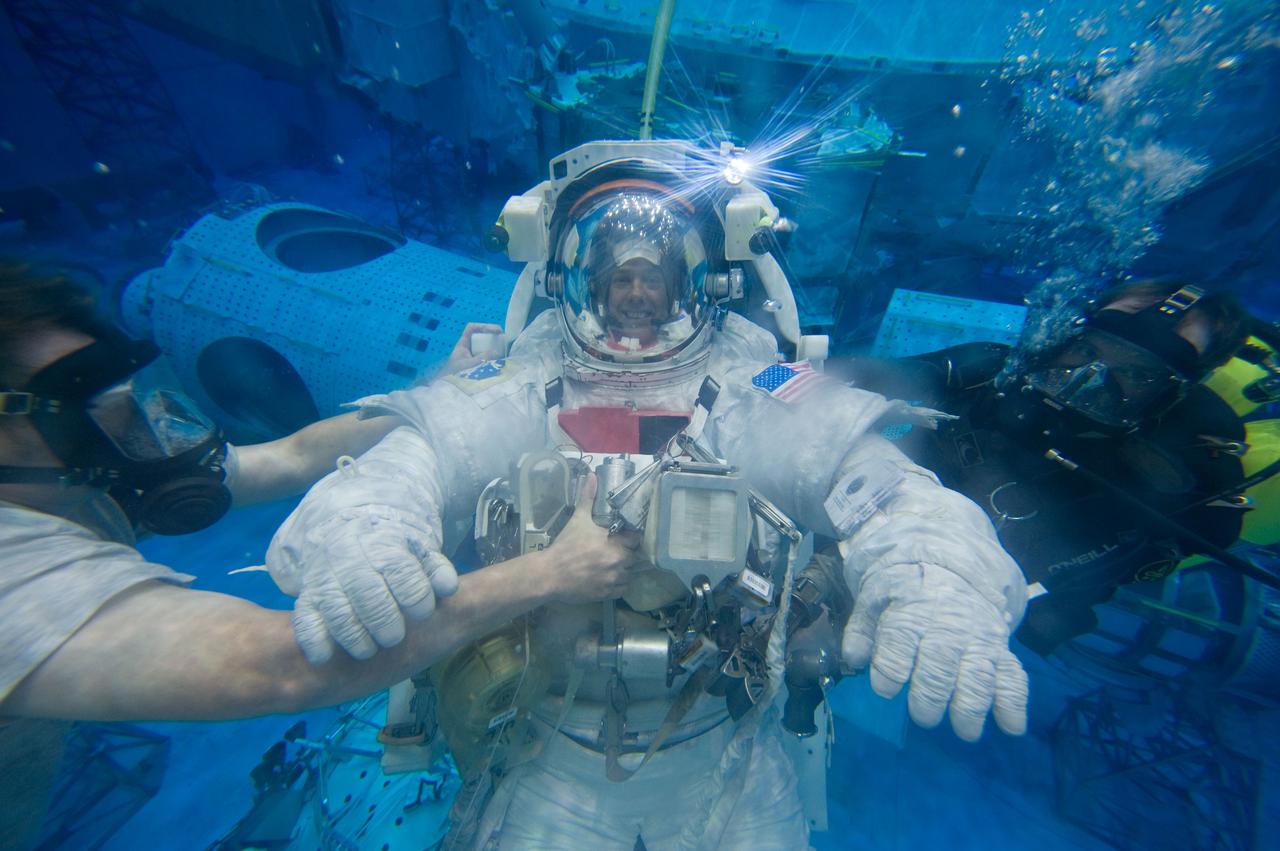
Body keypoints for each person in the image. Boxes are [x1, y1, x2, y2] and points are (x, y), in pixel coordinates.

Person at [265, 143, 1030, 850]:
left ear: (695, 281)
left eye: (652, 274)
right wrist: (364, 532)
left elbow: (887, 491)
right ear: (580, 280)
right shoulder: (524, 381)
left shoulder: (752, 381)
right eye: (618, 274)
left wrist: (941, 580)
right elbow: (412, 462)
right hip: (547, 748)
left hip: (726, 744)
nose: (635, 293)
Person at [0, 263, 641, 848]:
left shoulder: (81, 483)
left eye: (124, 399)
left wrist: (435, 396)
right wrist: (553, 572)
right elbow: (283, 665)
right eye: (92, 411)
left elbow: (290, 456)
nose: (133, 431)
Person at [828, 280, 1253, 654]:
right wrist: (776, 374)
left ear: (1169, 396)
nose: (1089, 379)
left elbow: (1081, 575)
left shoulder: (1167, 481)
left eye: (1137, 373)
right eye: (1087, 351)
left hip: (958, 589)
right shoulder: (995, 373)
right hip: (861, 506)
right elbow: (880, 374)